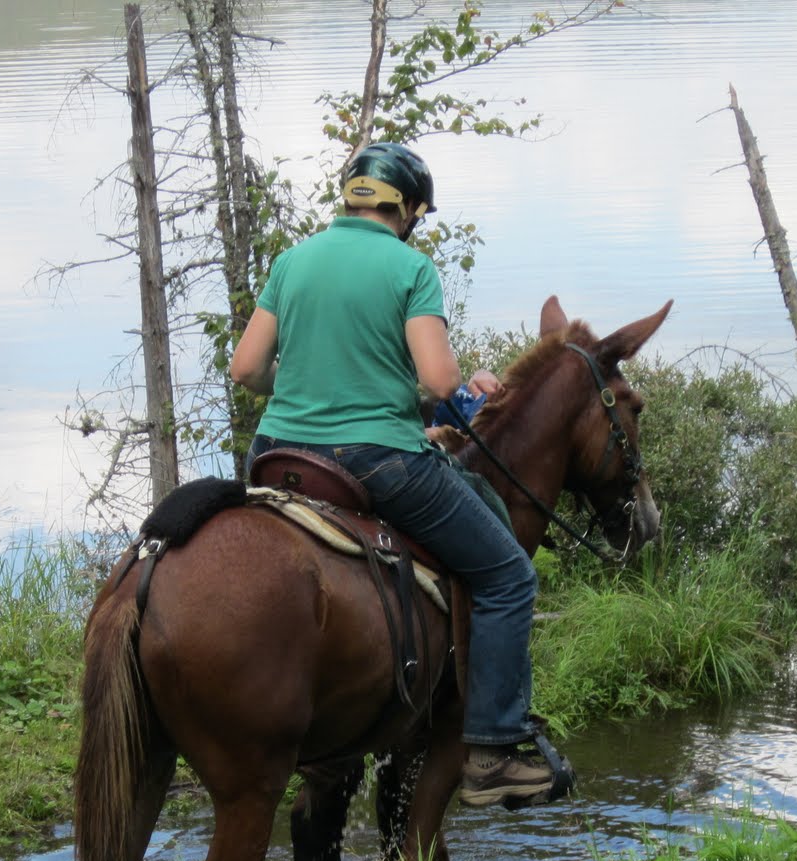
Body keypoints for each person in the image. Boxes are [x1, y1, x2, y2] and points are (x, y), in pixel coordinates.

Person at [229, 141, 559, 810]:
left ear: (351, 196)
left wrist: (301, 387)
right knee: (505, 575)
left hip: (278, 456)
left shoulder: (292, 262)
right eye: (417, 214)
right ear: (406, 210)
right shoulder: (411, 267)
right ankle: (493, 751)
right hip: (377, 461)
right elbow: (438, 381)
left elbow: (245, 371)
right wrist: (460, 397)